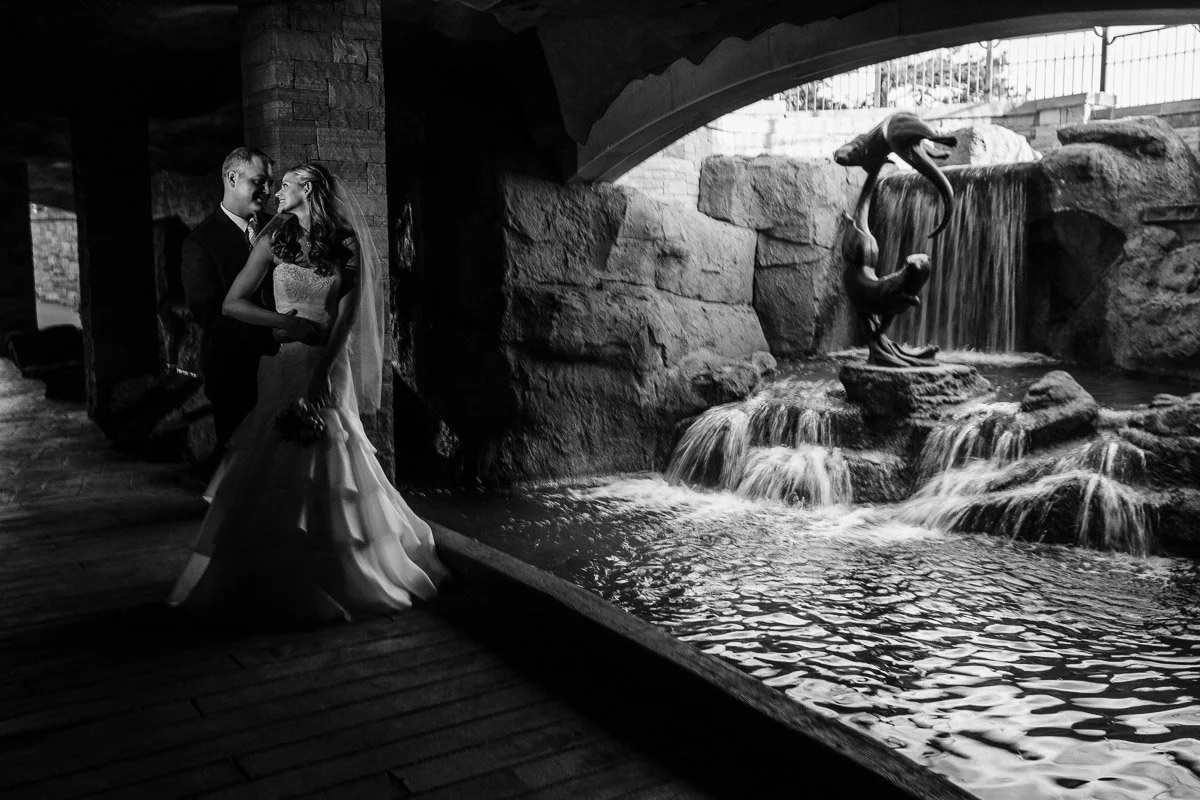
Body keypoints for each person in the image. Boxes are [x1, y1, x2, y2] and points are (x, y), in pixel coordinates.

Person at [168, 163, 448, 626]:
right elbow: (231, 302)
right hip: (280, 362)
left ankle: (338, 564)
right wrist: (284, 324)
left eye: (286, 184)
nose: (277, 191)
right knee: (274, 452)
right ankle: (271, 566)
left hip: (325, 362)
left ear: (309, 190)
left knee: (330, 451)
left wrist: (322, 372)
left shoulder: (345, 242)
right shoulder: (273, 240)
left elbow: (346, 316)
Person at [182, 147, 304, 451]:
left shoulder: (283, 227)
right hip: (235, 377)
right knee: (242, 469)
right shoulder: (199, 244)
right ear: (232, 177)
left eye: (271, 183)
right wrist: (273, 335)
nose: (267, 191)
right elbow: (210, 316)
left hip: (290, 370)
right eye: (259, 181)